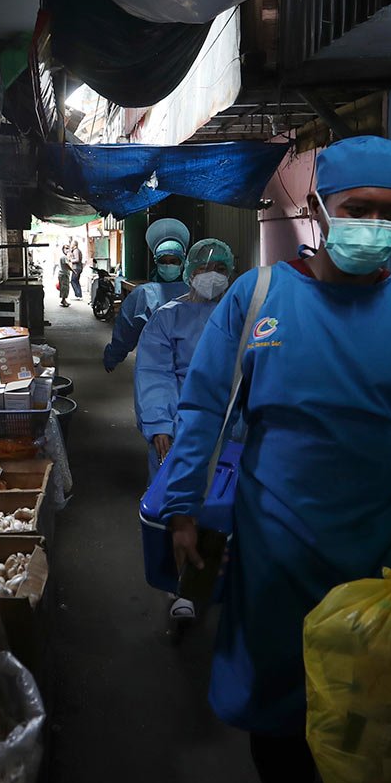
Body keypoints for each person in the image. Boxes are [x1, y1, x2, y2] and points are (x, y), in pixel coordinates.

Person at [157, 136, 391, 783]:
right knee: (276, 700)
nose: (373, 224)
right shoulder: (261, 297)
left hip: (378, 551)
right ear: (317, 210)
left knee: (366, 695)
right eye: (357, 208)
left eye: (390, 212)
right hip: (272, 545)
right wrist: (184, 508)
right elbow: (205, 410)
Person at [135, 237, 236, 621]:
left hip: (231, 427)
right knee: (177, 504)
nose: (211, 277)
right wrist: (160, 421)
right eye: (203, 269)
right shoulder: (167, 317)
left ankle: (219, 578)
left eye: (221, 269)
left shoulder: (239, 314)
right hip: (179, 426)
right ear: (190, 273)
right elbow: (154, 371)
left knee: (222, 506)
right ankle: (179, 587)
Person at [102, 218, 190, 371]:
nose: (168, 265)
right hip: (155, 366)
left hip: (186, 365)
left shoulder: (196, 293)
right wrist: (115, 354)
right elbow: (127, 329)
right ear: (156, 261)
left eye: (174, 261)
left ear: (183, 262)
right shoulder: (144, 294)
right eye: (164, 261)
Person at [64, 236, 85, 302]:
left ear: (75, 245)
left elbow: (77, 259)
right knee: (76, 281)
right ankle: (79, 295)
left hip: (76, 268)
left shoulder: (76, 251)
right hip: (78, 268)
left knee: (73, 281)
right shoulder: (77, 250)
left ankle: (78, 295)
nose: (71, 245)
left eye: (72, 244)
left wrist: (70, 260)